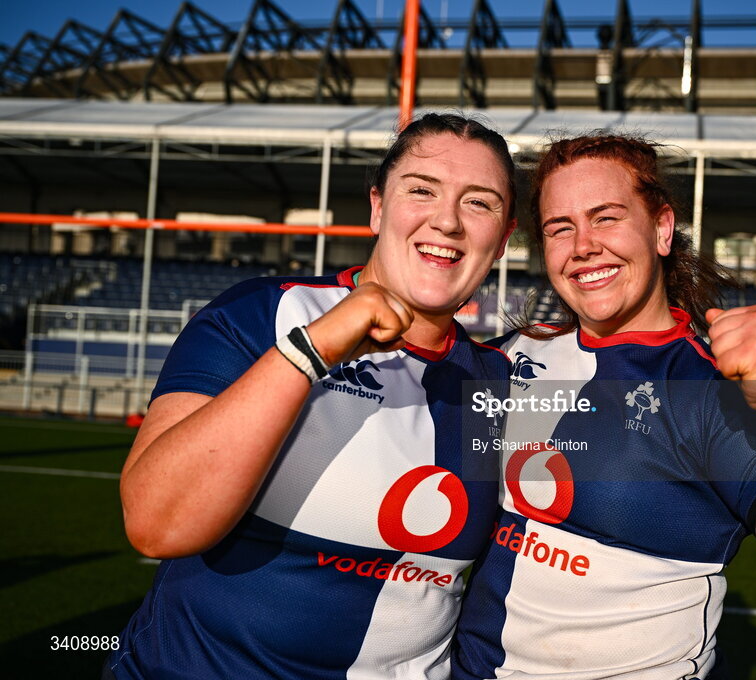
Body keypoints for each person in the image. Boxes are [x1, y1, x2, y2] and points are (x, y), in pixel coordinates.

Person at [453, 134, 756, 679]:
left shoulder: (706, 392)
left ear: (662, 229)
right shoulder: (511, 356)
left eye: (606, 218)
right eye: (559, 227)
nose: (582, 245)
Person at [107, 113, 518, 679]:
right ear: (378, 206)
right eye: (421, 190)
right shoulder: (262, 314)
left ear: (502, 238)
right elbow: (158, 524)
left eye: (479, 203)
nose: (446, 220)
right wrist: (312, 350)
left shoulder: (501, 386)